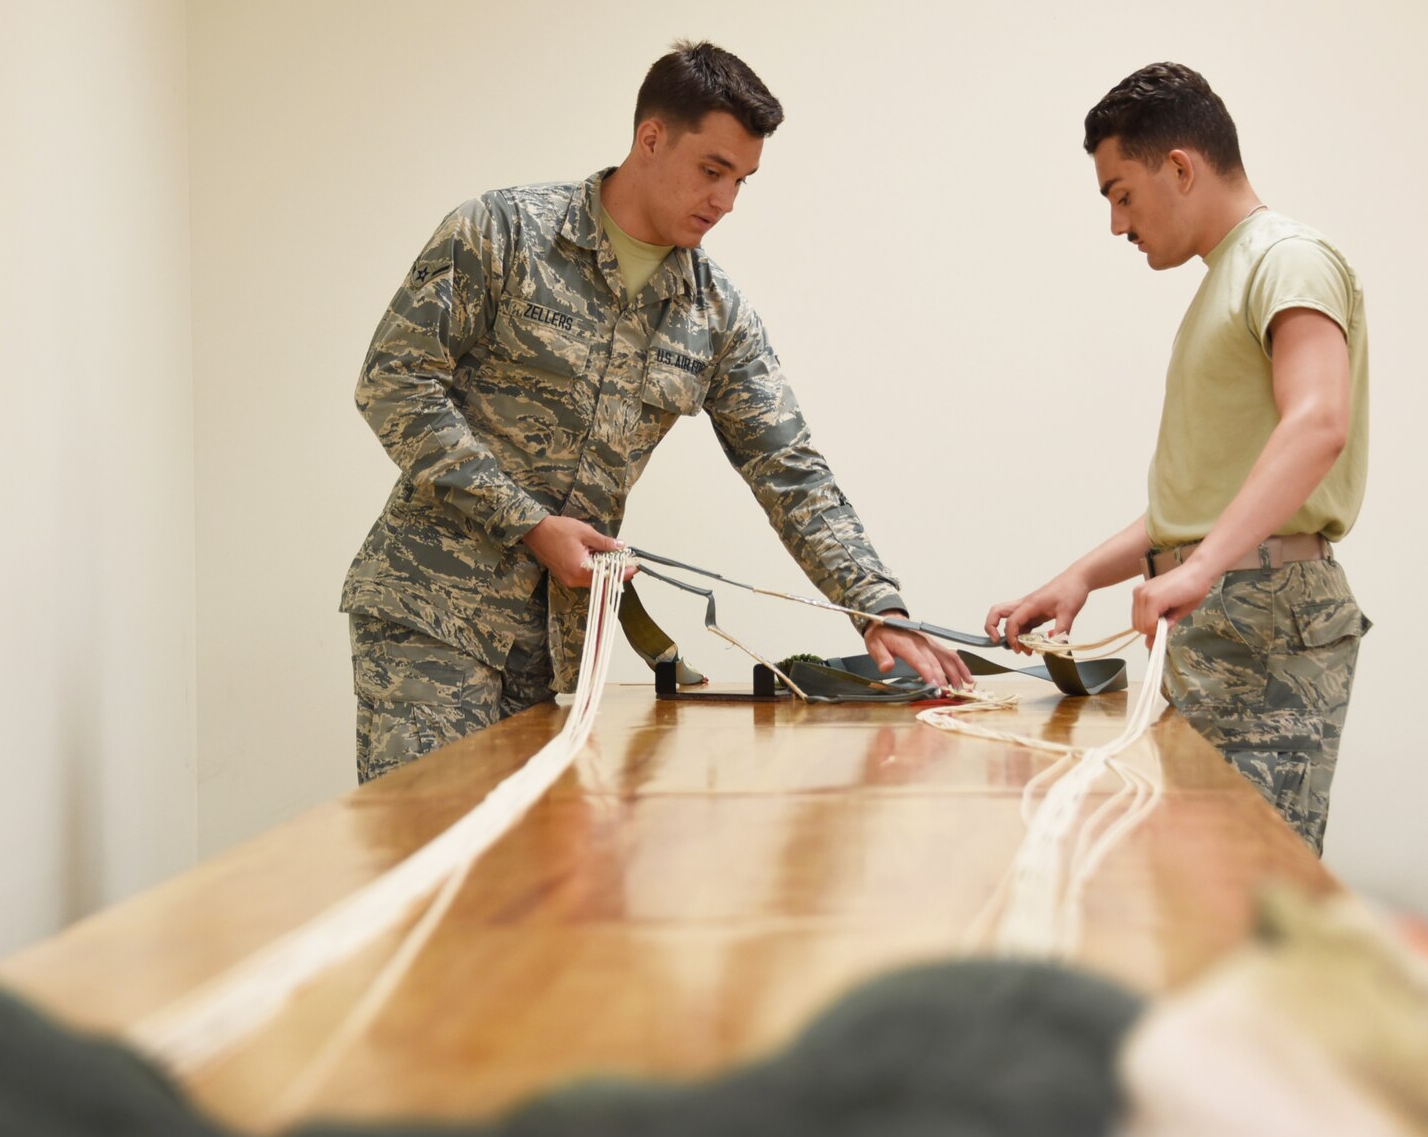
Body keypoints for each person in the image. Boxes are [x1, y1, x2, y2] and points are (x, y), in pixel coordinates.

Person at [341, 40, 968, 783]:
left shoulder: (714, 312)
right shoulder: (503, 232)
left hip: (552, 648)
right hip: (429, 613)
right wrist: (528, 524)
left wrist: (877, 605)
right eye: (712, 170)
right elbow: (394, 382)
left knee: (524, 889)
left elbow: (790, 469)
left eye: (742, 180)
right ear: (650, 138)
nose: (726, 201)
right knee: (430, 862)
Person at [985, 62, 1370, 854]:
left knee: (1253, 892)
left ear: (1182, 167)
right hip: (1222, 613)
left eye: (1121, 193)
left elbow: (1320, 420)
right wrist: (1083, 577)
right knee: (1194, 886)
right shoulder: (1225, 283)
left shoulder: (1286, 259)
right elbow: (1204, 507)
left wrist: (1198, 570)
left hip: (1264, 617)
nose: (1118, 225)